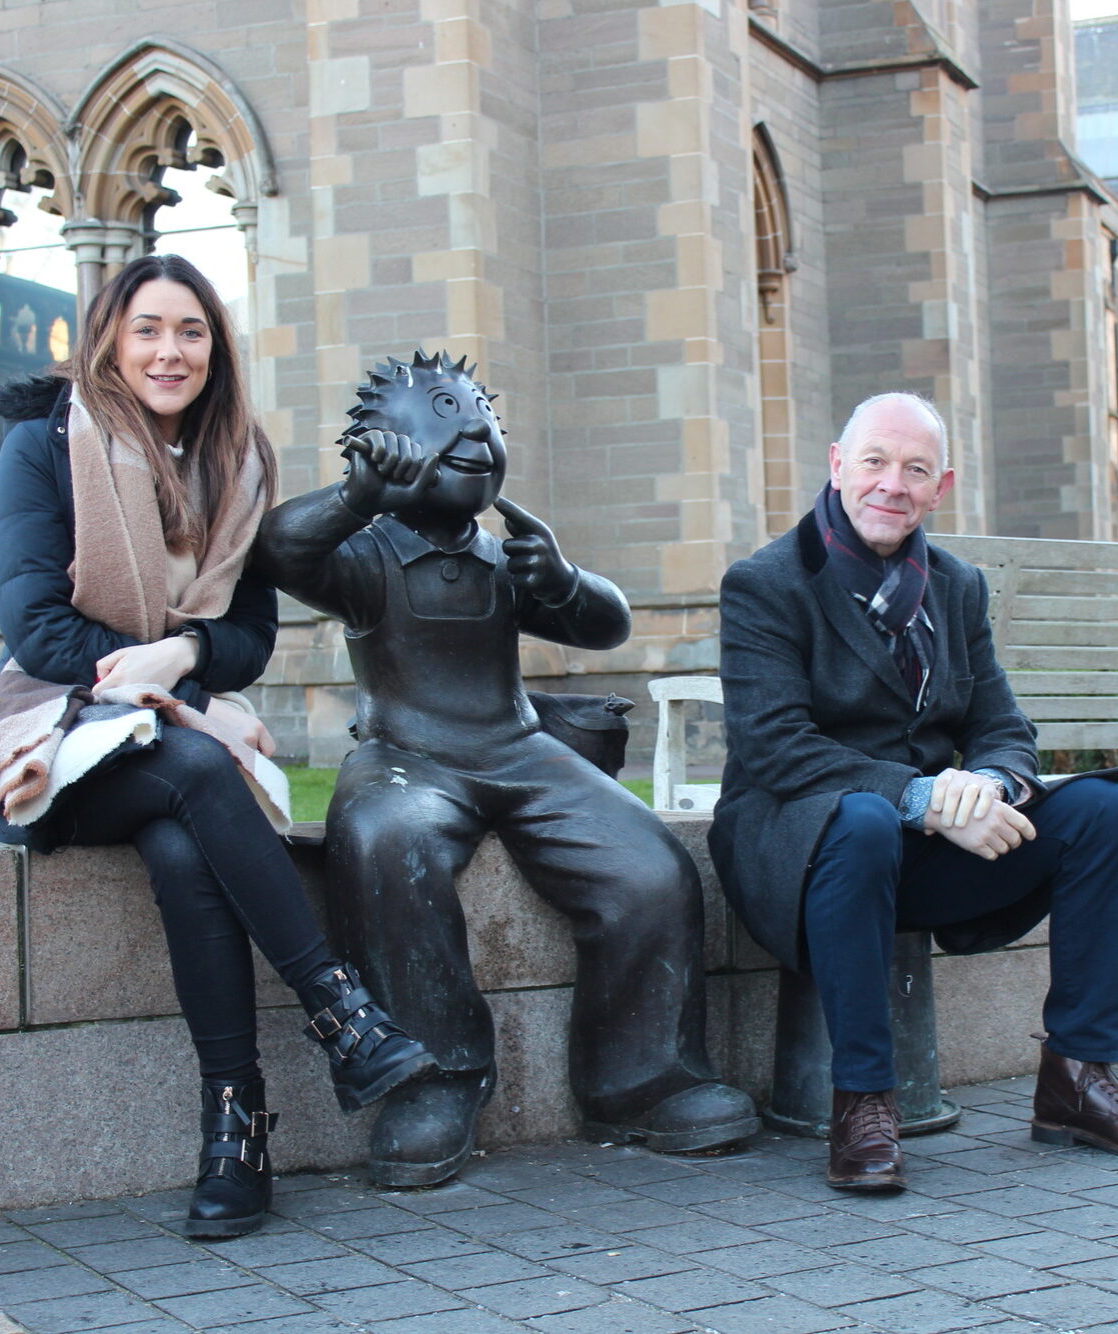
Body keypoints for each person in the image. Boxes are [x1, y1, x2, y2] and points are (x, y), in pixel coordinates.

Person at [0, 254, 436, 1239]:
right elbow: (39, 629)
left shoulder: (235, 462)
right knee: (198, 765)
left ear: (215, 347)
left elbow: (248, 634)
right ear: (110, 340)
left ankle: (236, 1129)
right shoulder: (43, 446)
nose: (169, 351)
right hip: (53, 740)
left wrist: (180, 658)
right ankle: (339, 1009)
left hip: (162, 759)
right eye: (148, 329)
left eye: (191, 330)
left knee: (183, 838)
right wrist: (195, 702)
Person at [253, 352, 759, 1188]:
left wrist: (560, 577)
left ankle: (641, 1077)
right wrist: (355, 498)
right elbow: (277, 552)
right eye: (449, 426)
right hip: (407, 757)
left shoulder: (504, 556)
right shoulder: (366, 552)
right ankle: (435, 1078)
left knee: (650, 866)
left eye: (484, 425)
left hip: (521, 750)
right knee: (385, 841)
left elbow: (607, 627)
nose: (476, 440)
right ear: (391, 445)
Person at [709, 392, 1118, 1193]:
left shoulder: (954, 585)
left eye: (914, 469)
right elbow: (775, 748)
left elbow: (1005, 726)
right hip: (802, 850)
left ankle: (1076, 1082)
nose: (891, 485)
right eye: (874, 462)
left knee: (1101, 809)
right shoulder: (766, 583)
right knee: (864, 820)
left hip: (927, 845)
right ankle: (864, 1102)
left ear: (939, 487)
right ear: (838, 465)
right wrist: (921, 797)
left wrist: (985, 786)